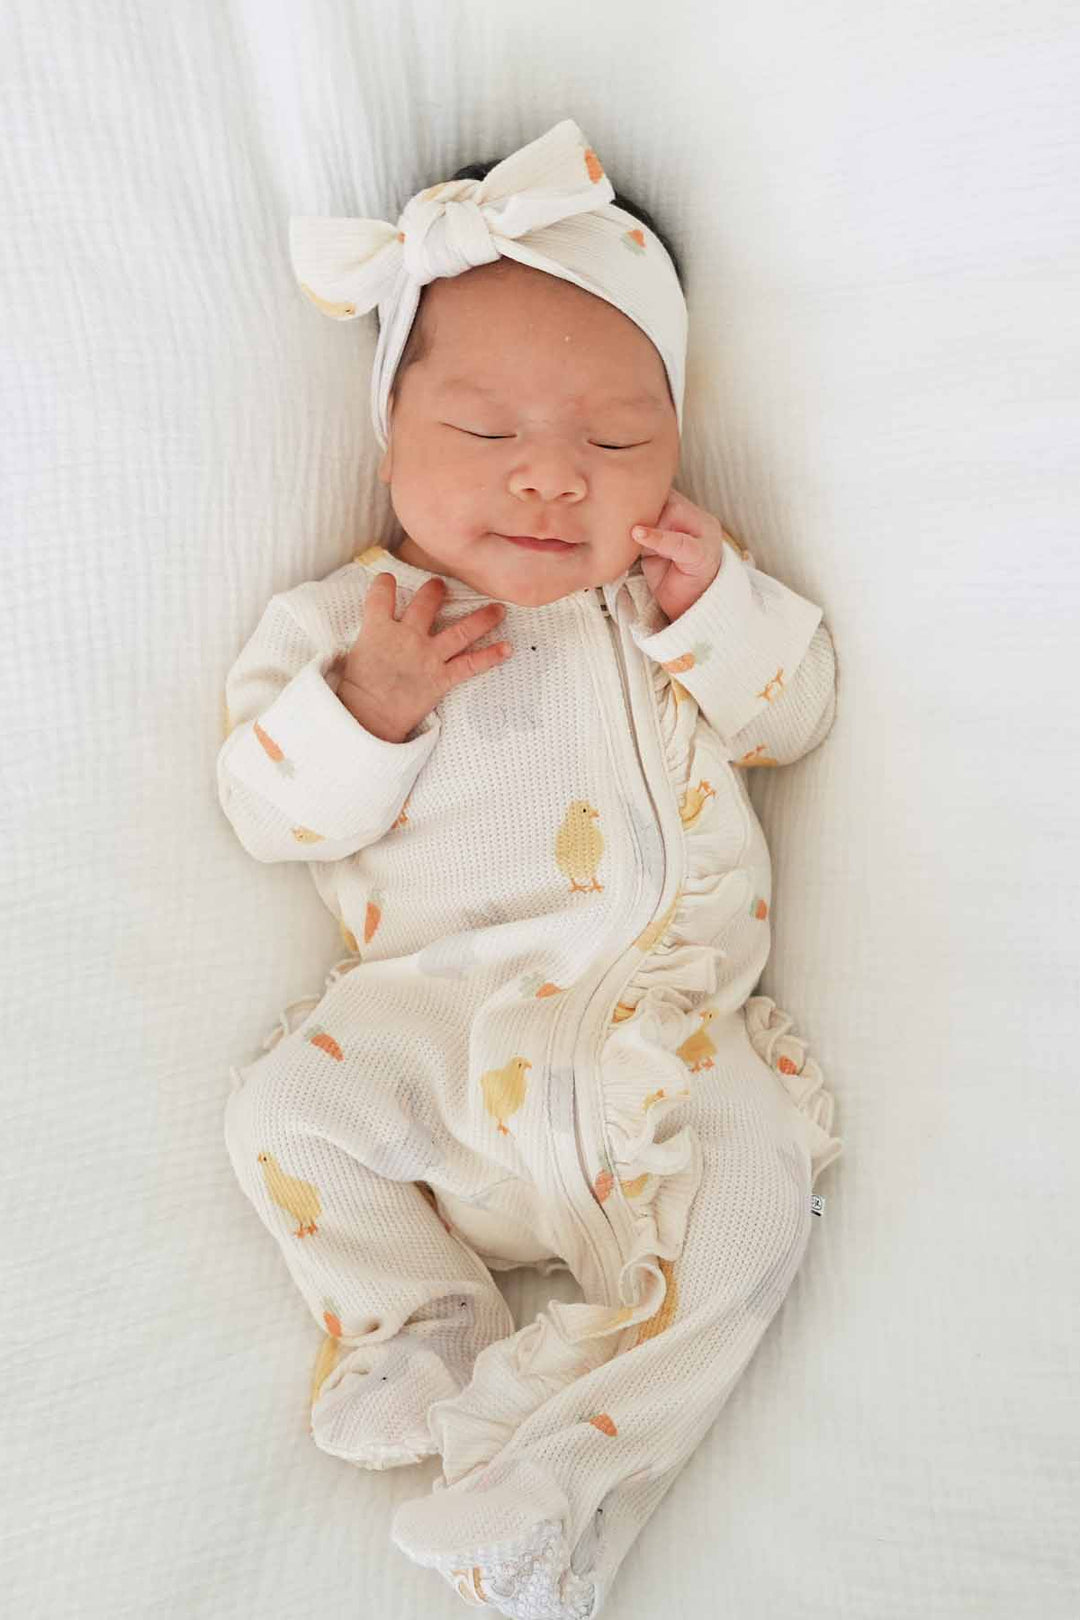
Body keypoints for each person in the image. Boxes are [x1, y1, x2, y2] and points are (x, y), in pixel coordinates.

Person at [217, 118, 843, 1620]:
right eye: (488, 436)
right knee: (285, 1112)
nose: (554, 478)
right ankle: (412, 1319)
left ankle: (556, 1482)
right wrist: (364, 709)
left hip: (664, 1041)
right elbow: (265, 810)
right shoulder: (348, 624)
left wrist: (719, 617)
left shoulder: (670, 601)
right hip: (438, 1033)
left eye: (616, 441)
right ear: (391, 444)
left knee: (764, 1201)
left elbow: (801, 712)